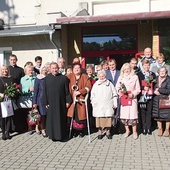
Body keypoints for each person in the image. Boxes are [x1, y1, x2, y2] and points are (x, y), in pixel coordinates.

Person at [43, 62, 72, 141]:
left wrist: (68, 101)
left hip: (61, 102)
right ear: (50, 69)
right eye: (53, 68)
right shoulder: (47, 78)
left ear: (58, 68)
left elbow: (67, 90)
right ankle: (52, 135)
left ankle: (61, 135)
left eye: (56, 68)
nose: (55, 70)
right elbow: (44, 91)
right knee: (51, 119)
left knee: (60, 119)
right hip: (51, 103)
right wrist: (45, 102)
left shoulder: (63, 78)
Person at [116, 63, 140, 140]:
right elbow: (117, 87)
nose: (126, 70)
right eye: (125, 69)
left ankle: (135, 132)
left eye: (128, 69)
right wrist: (120, 92)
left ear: (130, 69)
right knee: (125, 116)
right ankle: (127, 131)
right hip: (124, 98)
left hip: (132, 99)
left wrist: (133, 94)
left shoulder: (135, 77)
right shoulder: (121, 77)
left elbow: (138, 89)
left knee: (133, 117)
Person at [91, 70, 117, 139]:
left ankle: (108, 132)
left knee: (108, 119)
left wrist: (115, 103)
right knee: (99, 119)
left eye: (103, 76)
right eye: (100, 76)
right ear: (98, 76)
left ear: (105, 76)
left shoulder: (110, 84)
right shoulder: (96, 84)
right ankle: (100, 132)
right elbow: (92, 95)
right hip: (99, 105)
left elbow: (114, 94)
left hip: (108, 105)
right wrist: (94, 103)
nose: (102, 77)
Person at [67, 62, 92, 137]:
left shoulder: (85, 77)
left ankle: (81, 131)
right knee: (73, 115)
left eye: (78, 68)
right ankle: (73, 131)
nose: (77, 70)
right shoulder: (69, 77)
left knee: (81, 116)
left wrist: (80, 92)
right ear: (72, 69)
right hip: (72, 99)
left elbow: (88, 87)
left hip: (81, 99)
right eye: (75, 68)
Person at [137, 60, 156, 135]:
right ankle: (144, 128)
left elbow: (154, 84)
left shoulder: (152, 74)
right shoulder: (139, 74)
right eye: (145, 65)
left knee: (149, 112)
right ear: (142, 66)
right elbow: (137, 84)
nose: (146, 67)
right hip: (142, 96)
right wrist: (143, 87)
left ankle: (149, 128)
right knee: (142, 112)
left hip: (150, 96)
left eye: (148, 65)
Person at [152, 67, 170, 137]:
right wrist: (154, 91)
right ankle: (160, 128)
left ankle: (167, 129)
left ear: (166, 72)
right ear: (158, 72)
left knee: (167, 116)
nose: (162, 72)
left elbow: (168, 90)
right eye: (160, 71)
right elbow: (152, 87)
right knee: (158, 115)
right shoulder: (155, 79)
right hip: (157, 99)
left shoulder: (168, 79)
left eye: (163, 71)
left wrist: (159, 90)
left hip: (165, 99)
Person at [0, 65, 15, 140]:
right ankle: (3, 133)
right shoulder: (0, 79)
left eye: (6, 69)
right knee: (2, 117)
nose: (4, 71)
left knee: (9, 116)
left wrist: (11, 93)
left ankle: (8, 132)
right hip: (1, 101)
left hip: (9, 100)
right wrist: (1, 94)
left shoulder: (11, 78)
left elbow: (14, 88)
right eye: (3, 70)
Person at [20, 66, 36, 134]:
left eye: (32, 70)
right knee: (28, 114)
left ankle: (36, 127)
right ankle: (29, 127)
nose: (31, 71)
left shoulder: (36, 78)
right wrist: (28, 89)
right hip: (26, 98)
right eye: (29, 70)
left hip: (34, 98)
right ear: (26, 71)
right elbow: (21, 89)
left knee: (35, 113)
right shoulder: (23, 79)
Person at [33, 66, 48, 137]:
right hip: (40, 99)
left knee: (47, 115)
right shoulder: (38, 78)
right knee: (42, 115)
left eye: (46, 70)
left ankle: (47, 128)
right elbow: (35, 91)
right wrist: (34, 102)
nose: (44, 71)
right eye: (43, 70)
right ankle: (43, 129)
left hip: (48, 99)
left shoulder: (49, 78)